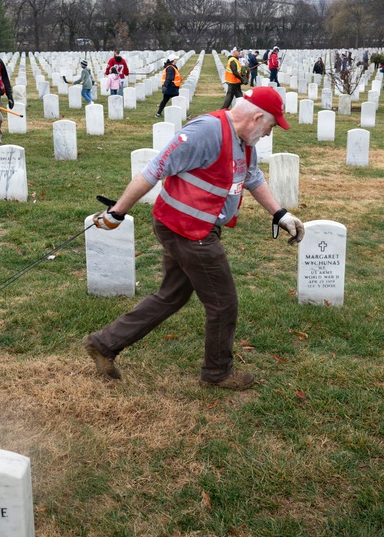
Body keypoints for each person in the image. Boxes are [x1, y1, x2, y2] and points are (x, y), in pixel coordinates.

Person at [82, 86, 305, 390]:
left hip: (196, 227)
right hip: (189, 230)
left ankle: (104, 344)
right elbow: (155, 169)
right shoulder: (206, 132)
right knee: (223, 303)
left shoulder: (244, 140)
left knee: (171, 295)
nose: (269, 133)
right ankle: (217, 372)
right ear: (256, 117)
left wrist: (280, 214)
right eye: (271, 126)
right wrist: (117, 212)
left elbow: (252, 177)